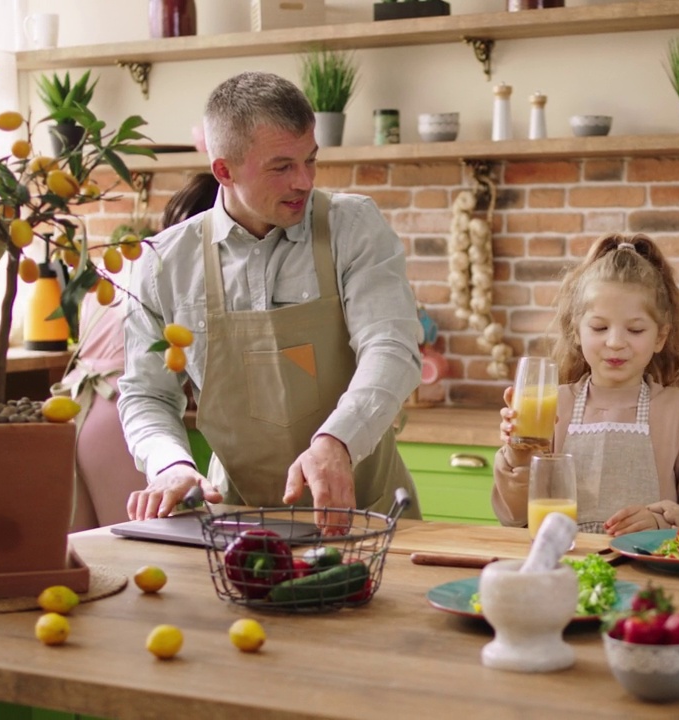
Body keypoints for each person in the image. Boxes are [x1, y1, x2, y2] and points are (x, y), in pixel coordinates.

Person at [117, 71, 422, 525]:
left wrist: (337, 441)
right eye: (282, 167)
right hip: (237, 519)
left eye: (311, 161)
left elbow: (391, 348)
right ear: (224, 170)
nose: (304, 181)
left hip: (365, 512)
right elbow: (147, 394)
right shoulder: (164, 264)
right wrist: (169, 464)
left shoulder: (353, 227)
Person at [492, 234, 679, 536]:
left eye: (635, 329)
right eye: (600, 327)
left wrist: (660, 522)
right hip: (564, 566)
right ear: (576, 331)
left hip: (648, 570)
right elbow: (514, 519)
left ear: (660, 337)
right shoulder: (552, 406)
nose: (615, 342)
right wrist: (519, 456)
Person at [66, 172, 219, 530]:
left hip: (75, 406)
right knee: (145, 538)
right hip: (119, 411)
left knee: (88, 547)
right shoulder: (172, 273)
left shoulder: (118, 262)